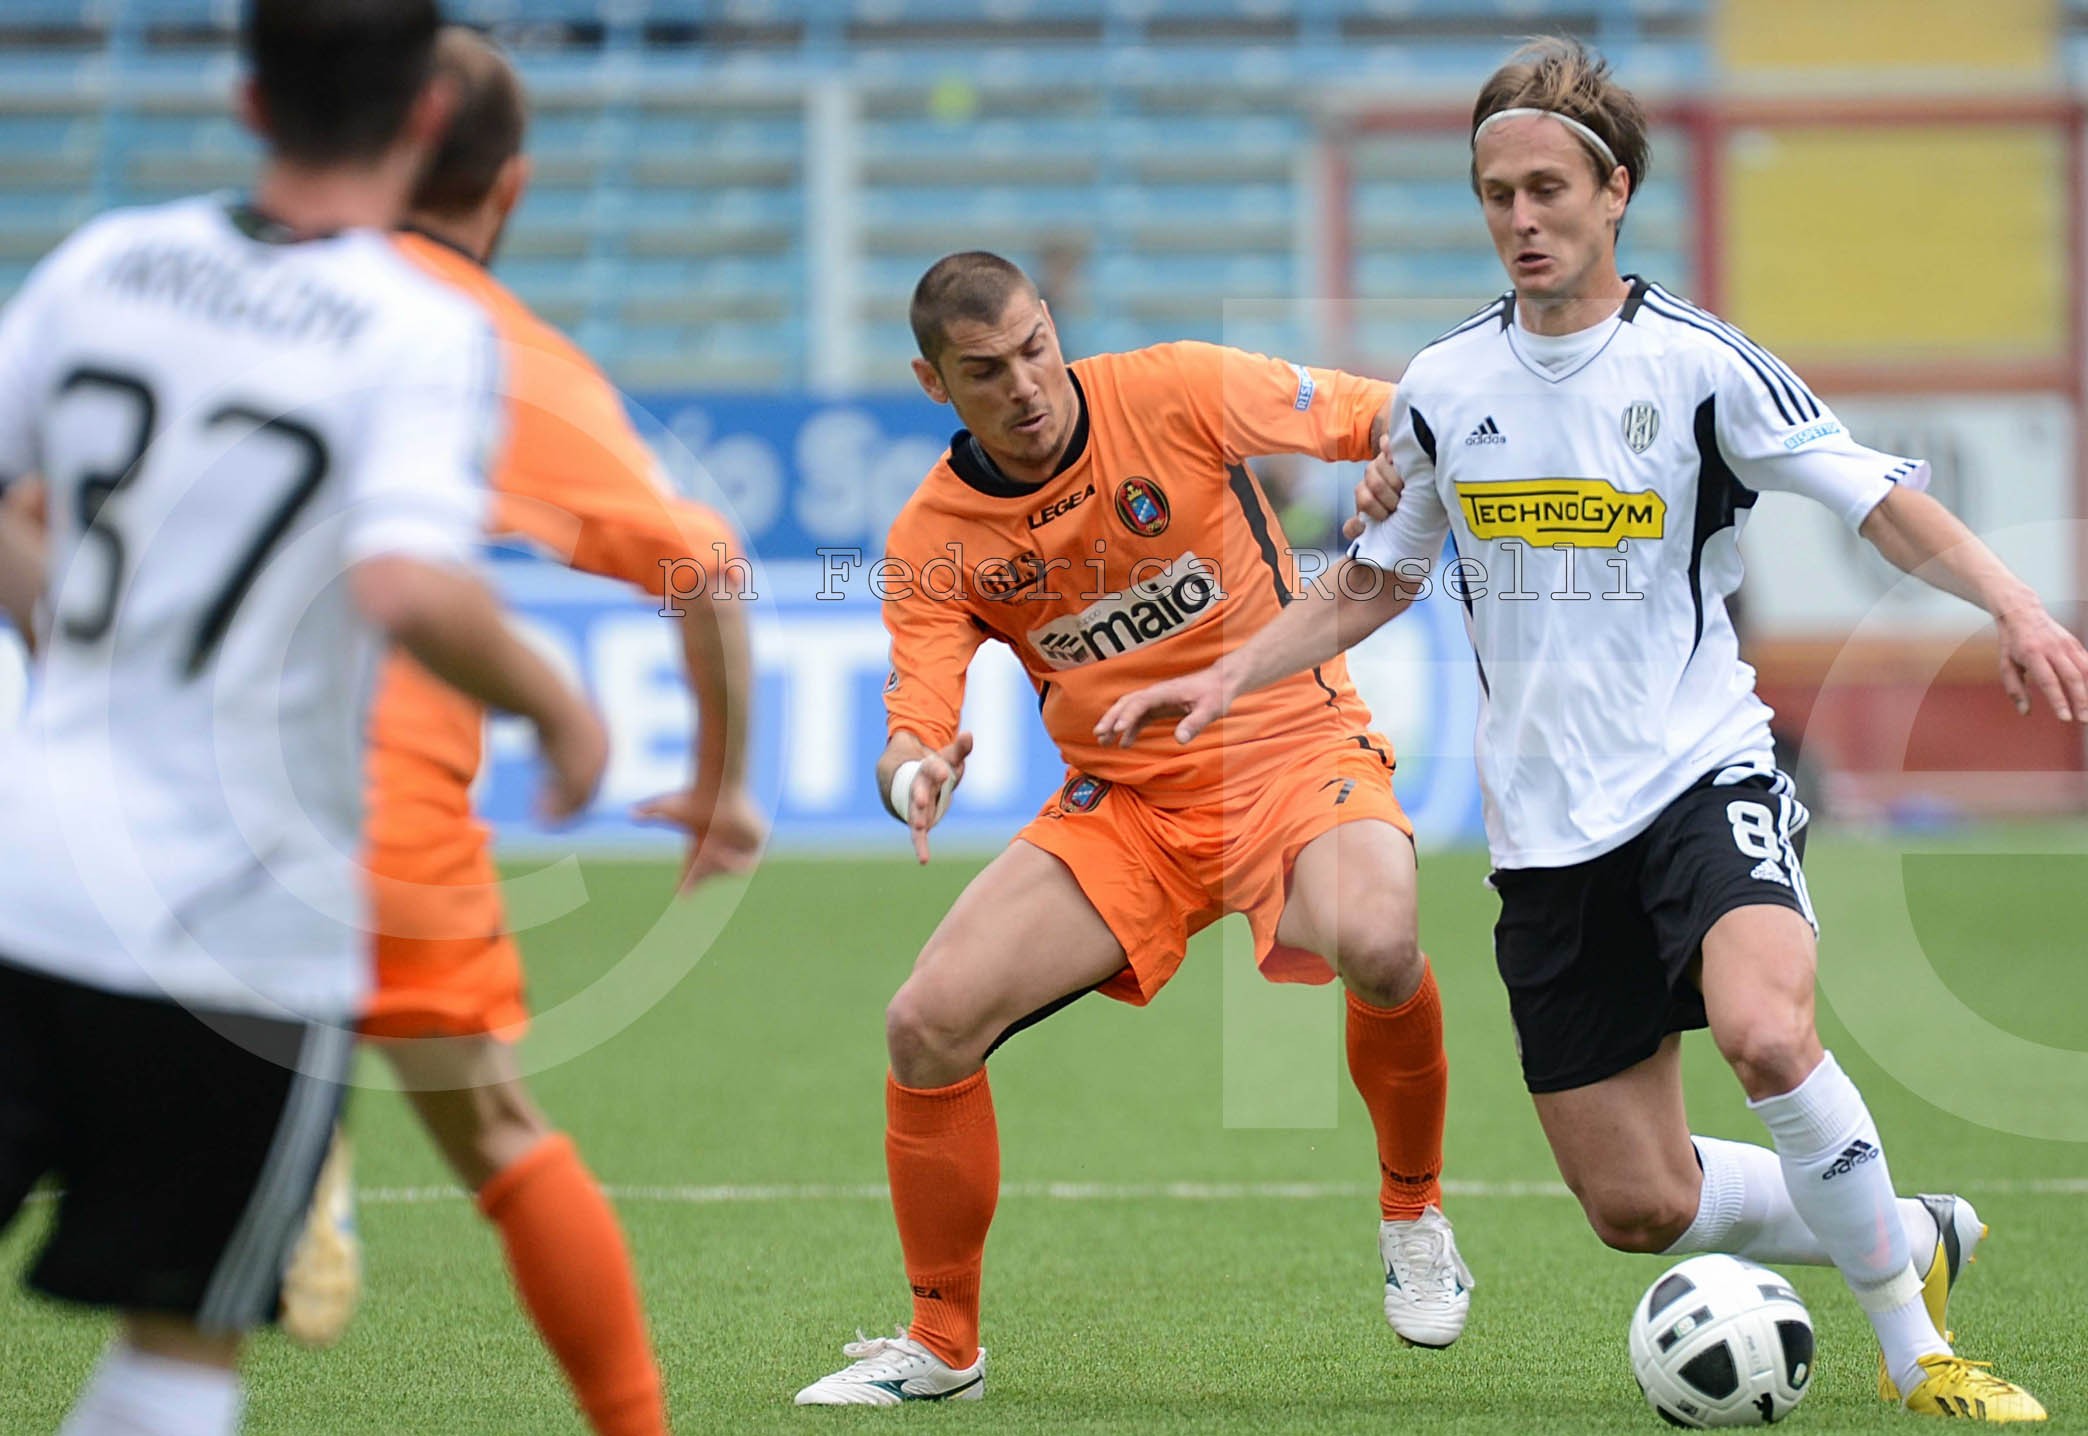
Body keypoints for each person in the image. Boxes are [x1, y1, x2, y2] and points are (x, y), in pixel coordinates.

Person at [1098, 37, 2075, 1424]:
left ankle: (1918, 1354)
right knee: (1638, 1202)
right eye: (1496, 193)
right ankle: (1900, 1228)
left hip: (1700, 770)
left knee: (1766, 1035)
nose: (1522, 219)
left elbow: (1876, 497)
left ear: (1615, 191)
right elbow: (1376, 580)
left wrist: (2014, 608)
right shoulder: (1443, 388)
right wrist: (1224, 678)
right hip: (1547, 831)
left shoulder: (1699, 365)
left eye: (1549, 188)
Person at [0, 3, 607, 1434]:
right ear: (419, 126)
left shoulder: (107, 262)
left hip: (22, 872)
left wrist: (70, 618)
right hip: (236, 925)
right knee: (180, 1338)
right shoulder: (418, 329)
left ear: (247, 101)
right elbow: (406, 579)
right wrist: (558, 707)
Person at [795, 251, 1468, 1407]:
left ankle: (1412, 1207)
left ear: (1053, 328)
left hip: (1288, 752)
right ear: (932, 382)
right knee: (926, 1021)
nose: (1024, 385)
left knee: (1378, 935)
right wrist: (914, 773)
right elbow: (913, 721)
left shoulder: (1176, 387)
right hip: (1129, 809)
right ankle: (942, 1339)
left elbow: (1388, 415)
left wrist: (1388, 469)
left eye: (1033, 348)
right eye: (985, 370)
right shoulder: (933, 535)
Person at [276, 28, 763, 1436]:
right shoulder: (481, 347)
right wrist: (722, 788)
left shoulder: (194, 273)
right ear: (513, 189)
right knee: (494, 1134)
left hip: (137, 784)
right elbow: (707, 566)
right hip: (380, 789)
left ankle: (290, 1121)